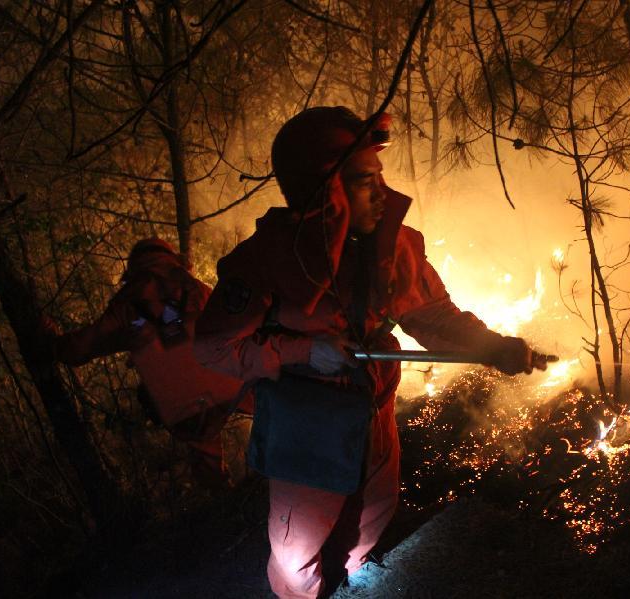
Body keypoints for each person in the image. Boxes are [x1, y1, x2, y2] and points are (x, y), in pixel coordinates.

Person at [193, 106, 546, 598]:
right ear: (323, 190)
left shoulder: (393, 247)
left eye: (379, 176)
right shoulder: (266, 261)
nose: (381, 192)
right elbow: (213, 347)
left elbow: (435, 316)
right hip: (306, 427)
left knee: (367, 525)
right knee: (298, 555)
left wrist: (494, 347)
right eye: (362, 181)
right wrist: (302, 351)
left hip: (375, 417)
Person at [51, 238, 251, 483]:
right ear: (171, 259)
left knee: (203, 445)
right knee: (270, 398)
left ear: (134, 268)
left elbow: (79, 349)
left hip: (182, 402)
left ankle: (222, 498)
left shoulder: (126, 305)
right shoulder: (195, 288)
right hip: (227, 379)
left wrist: (52, 342)